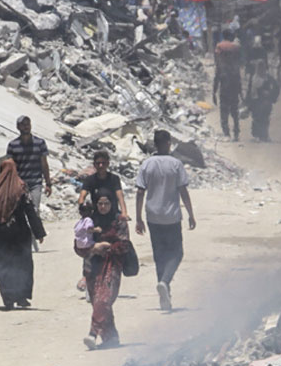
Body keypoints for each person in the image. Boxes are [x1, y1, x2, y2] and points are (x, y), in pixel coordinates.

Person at [135, 130, 197, 311]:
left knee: (159, 256)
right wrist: (191, 214)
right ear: (169, 143)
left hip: (153, 217)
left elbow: (140, 192)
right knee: (177, 253)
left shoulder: (147, 164)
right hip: (172, 217)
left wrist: (138, 218)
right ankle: (165, 282)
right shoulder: (176, 164)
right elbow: (183, 191)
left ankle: (164, 295)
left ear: (155, 144)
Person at [0, 159, 46, 309]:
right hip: (20, 233)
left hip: (1, 234)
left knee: (4, 265)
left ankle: (8, 297)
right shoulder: (21, 187)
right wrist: (39, 232)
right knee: (23, 265)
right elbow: (30, 210)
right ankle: (22, 296)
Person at [77, 189, 130, 349]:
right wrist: (94, 247)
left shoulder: (119, 221)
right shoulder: (89, 222)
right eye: (100, 203)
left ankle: (92, 334)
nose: (103, 206)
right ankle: (111, 338)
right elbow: (79, 245)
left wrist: (108, 248)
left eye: (106, 203)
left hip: (112, 265)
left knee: (104, 299)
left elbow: (124, 244)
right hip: (92, 267)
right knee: (99, 303)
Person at [6, 115, 52, 216]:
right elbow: (10, 167)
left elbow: (44, 164)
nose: (26, 127)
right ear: (18, 127)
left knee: (34, 210)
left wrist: (48, 183)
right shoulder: (12, 145)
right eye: (23, 125)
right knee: (20, 212)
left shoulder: (40, 143)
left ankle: (34, 231)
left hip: (36, 183)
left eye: (28, 124)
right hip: (20, 184)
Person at [77, 150, 127, 217]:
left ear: (108, 164)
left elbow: (120, 197)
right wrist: (82, 208)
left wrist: (124, 213)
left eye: (103, 163)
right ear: (94, 164)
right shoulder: (89, 180)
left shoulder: (114, 178)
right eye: (98, 163)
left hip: (113, 214)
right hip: (96, 215)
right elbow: (82, 196)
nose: (101, 165)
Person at [213, 29, 243, 141]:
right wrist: (241, 91)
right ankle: (236, 132)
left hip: (224, 83)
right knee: (234, 109)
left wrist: (214, 91)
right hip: (234, 84)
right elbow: (239, 69)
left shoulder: (219, 46)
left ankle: (226, 133)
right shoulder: (236, 47)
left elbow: (217, 73)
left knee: (224, 110)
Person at [247, 60, 280, 142]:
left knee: (264, 119)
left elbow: (276, 87)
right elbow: (250, 90)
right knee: (258, 118)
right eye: (259, 68)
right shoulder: (255, 78)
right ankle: (258, 135)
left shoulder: (267, 78)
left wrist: (272, 96)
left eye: (262, 68)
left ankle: (264, 135)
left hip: (265, 102)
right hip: (256, 102)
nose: (261, 70)